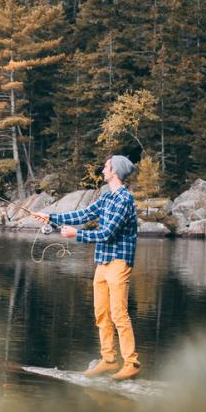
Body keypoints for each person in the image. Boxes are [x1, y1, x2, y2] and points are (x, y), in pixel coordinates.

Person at [34, 155, 140, 381]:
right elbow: (83, 214)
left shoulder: (124, 199)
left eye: (106, 167)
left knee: (119, 314)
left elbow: (107, 233)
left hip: (119, 262)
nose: (103, 170)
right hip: (102, 262)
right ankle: (109, 360)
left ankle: (131, 363)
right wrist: (50, 217)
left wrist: (76, 234)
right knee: (101, 313)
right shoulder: (106, 196)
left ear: (115, 171)